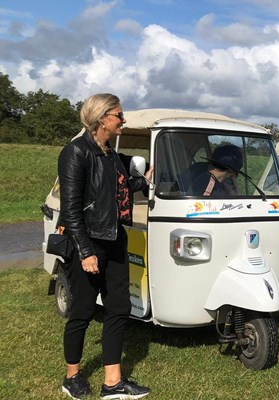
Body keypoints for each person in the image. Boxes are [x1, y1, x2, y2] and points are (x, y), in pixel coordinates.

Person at [57, 93, 152, 399]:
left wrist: (145, 179)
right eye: (119, 116)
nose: (123, 121)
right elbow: (71, 210)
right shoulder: (76, 152)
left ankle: (113, 381)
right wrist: (85, 252)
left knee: (119, 308)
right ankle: (72, 376)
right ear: (102, 119)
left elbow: (122, 187)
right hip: (88, 243)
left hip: (114, 240)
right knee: (82, 311)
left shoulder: (111, 154)